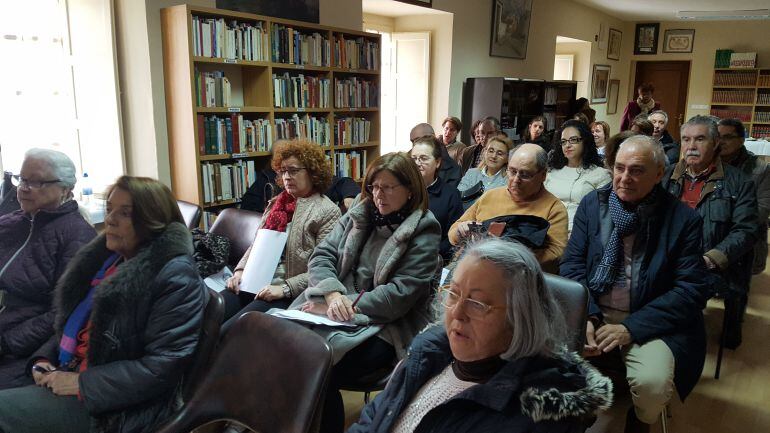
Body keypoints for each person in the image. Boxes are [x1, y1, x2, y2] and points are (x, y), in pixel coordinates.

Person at [0, 175, 207, 433]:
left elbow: (163, 366)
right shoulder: (110, 259)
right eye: (109, 210)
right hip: (70, 375)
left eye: (125, 213)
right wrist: (43, 359)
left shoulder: (175, 276)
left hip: (116, 408)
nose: (110, 220)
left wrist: (81, 383)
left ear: (152, 221)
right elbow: (72, 325)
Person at [347, 237, 613, 433]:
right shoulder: (428, 353)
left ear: (518, 318)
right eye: (453, 294)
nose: (457, 313)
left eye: (477, 303)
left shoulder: (537, 415)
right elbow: (373, 419)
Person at [561, 135, 709, 433]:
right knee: (539, 361)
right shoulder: (594, 204)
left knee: (651, 385)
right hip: (594, 311)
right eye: (619, 168)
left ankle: (641, 420)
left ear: (658, 174)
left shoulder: (682, 219)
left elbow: (690, 291)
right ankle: (571, 418)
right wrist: (586, 315)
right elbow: (572, 265)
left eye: (637, 170)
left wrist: (631, 328)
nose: (624, 178)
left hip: (649, 319)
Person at [288, 152, 441, 433]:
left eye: (387, 187)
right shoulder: (361, 210)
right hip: (336, 306)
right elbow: (322, 255)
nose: (378, 195)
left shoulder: (424, 229)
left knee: (320, 373)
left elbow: (397, 296)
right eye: (373, 186)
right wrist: (333, 295)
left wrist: (344, 306)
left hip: (387, 324)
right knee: (285, 352)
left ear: (409, 190)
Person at [0, 149, 96, 390]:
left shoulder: (77, 236)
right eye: (22, 179)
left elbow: (63, 312)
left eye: (38, 182)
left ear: (65, 189)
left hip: (28, 347)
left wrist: (6, 342)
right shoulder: (13, 222)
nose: (23, 188)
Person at [222, 139, 341, 331]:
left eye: (293, 170)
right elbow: (257, 244)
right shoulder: (277, 202)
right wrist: (240, 271)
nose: (286, 176)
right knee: (210, 312)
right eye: (283, 171)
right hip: (254, 280)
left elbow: (324, 267)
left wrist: (285, 288)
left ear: (312, 171)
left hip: (286, 291)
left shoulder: (327, 211)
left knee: (230, 331)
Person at [662, 115, 758, 349]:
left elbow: (746, 230)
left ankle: (678, 346)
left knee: (683, 295)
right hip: (668, 258)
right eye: (685, 140)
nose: (691, 146)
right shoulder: (665, 176)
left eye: (700, 139)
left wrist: (710, 259)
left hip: (712, 264)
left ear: (715, 143)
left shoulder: (738, 182)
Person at [449, 143, 568, 273]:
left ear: (543, 175)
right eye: (512, 171)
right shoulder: (490, 196)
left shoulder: (554, 208)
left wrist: (503, 260)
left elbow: (555, 253)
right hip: (471, 268)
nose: (516, 179)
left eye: (525, 175)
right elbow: (454, 231)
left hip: (518, 277)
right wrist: (461, 231)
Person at [719, 118, 770, 275]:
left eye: (727, 137)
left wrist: (722, 221)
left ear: (741, 140)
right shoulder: (708, 163)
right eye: (718, 136)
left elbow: (762, 210)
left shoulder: (761, 169)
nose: (721, 141)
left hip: (744, 234)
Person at [544, 120, 611, 231]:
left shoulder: (600, 174)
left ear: (585, 141)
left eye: (573, 140)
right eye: (563, 142)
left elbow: (602, 214)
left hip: (579, 233)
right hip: (546, 229)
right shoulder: (551, 172)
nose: (567, 145)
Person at [410, 136, 464, 262]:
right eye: (414, 159)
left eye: (423, 158)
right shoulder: (402, 190)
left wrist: (428, 253)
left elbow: (452, 238)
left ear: (438, 162)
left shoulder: (450, 195)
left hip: (432, 259)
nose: (417, 163)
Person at [457, 135, 513, 210]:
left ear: (507, 158)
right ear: (484, 152)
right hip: (465, 218)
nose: (494, 156)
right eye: (491, 151)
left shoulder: (508, 180)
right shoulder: (472, 173)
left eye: (499, 153)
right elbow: (458, 197)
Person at [411, 123, 462, 189]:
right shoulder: (408, 159)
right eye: (412, 142)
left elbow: (447, 196)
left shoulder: (453, 170)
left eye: (418, 140)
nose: (414, 145)